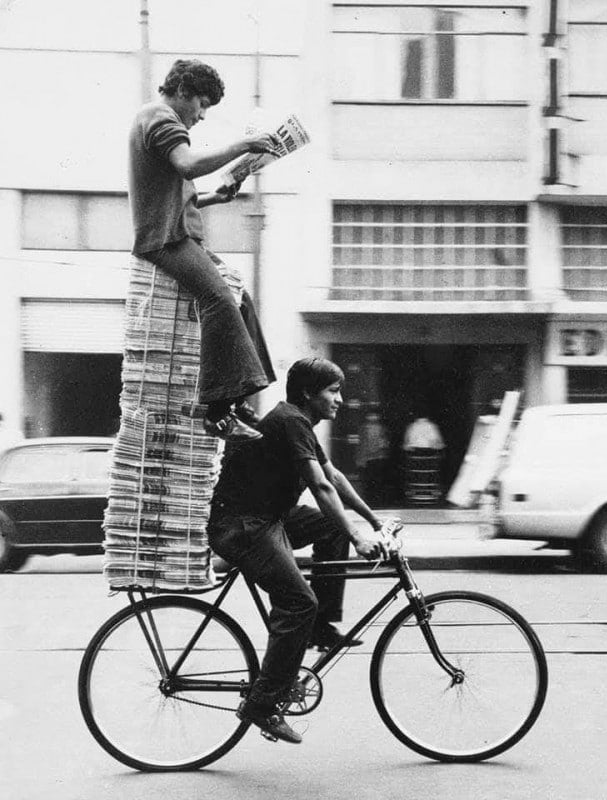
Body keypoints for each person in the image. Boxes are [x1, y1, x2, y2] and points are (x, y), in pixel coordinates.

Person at [208, 357, 393, 745]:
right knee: (297, 604)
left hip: (268, 517)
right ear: (309, 393)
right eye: (333, 390)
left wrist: (373, 522)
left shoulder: (298, 422)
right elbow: (319, 487)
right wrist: (359, 538)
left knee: (331, 526)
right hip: (246, 526)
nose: (340, 399)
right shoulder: (290, 421)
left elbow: (335, 478)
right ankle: (262, 704)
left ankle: (321, 626)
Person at [128, 58, 278, 441]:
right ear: (182, 92)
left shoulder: (157, 118)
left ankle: (239, 396)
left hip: (175, 232)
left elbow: (177, 194)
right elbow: (188, 166)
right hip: (166, 239)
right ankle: (217, 412)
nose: (203, 115)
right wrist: (244, 144)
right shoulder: (162, 120)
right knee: (219, 300)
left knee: (239, 297)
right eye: (202, 104)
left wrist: (214, 198)